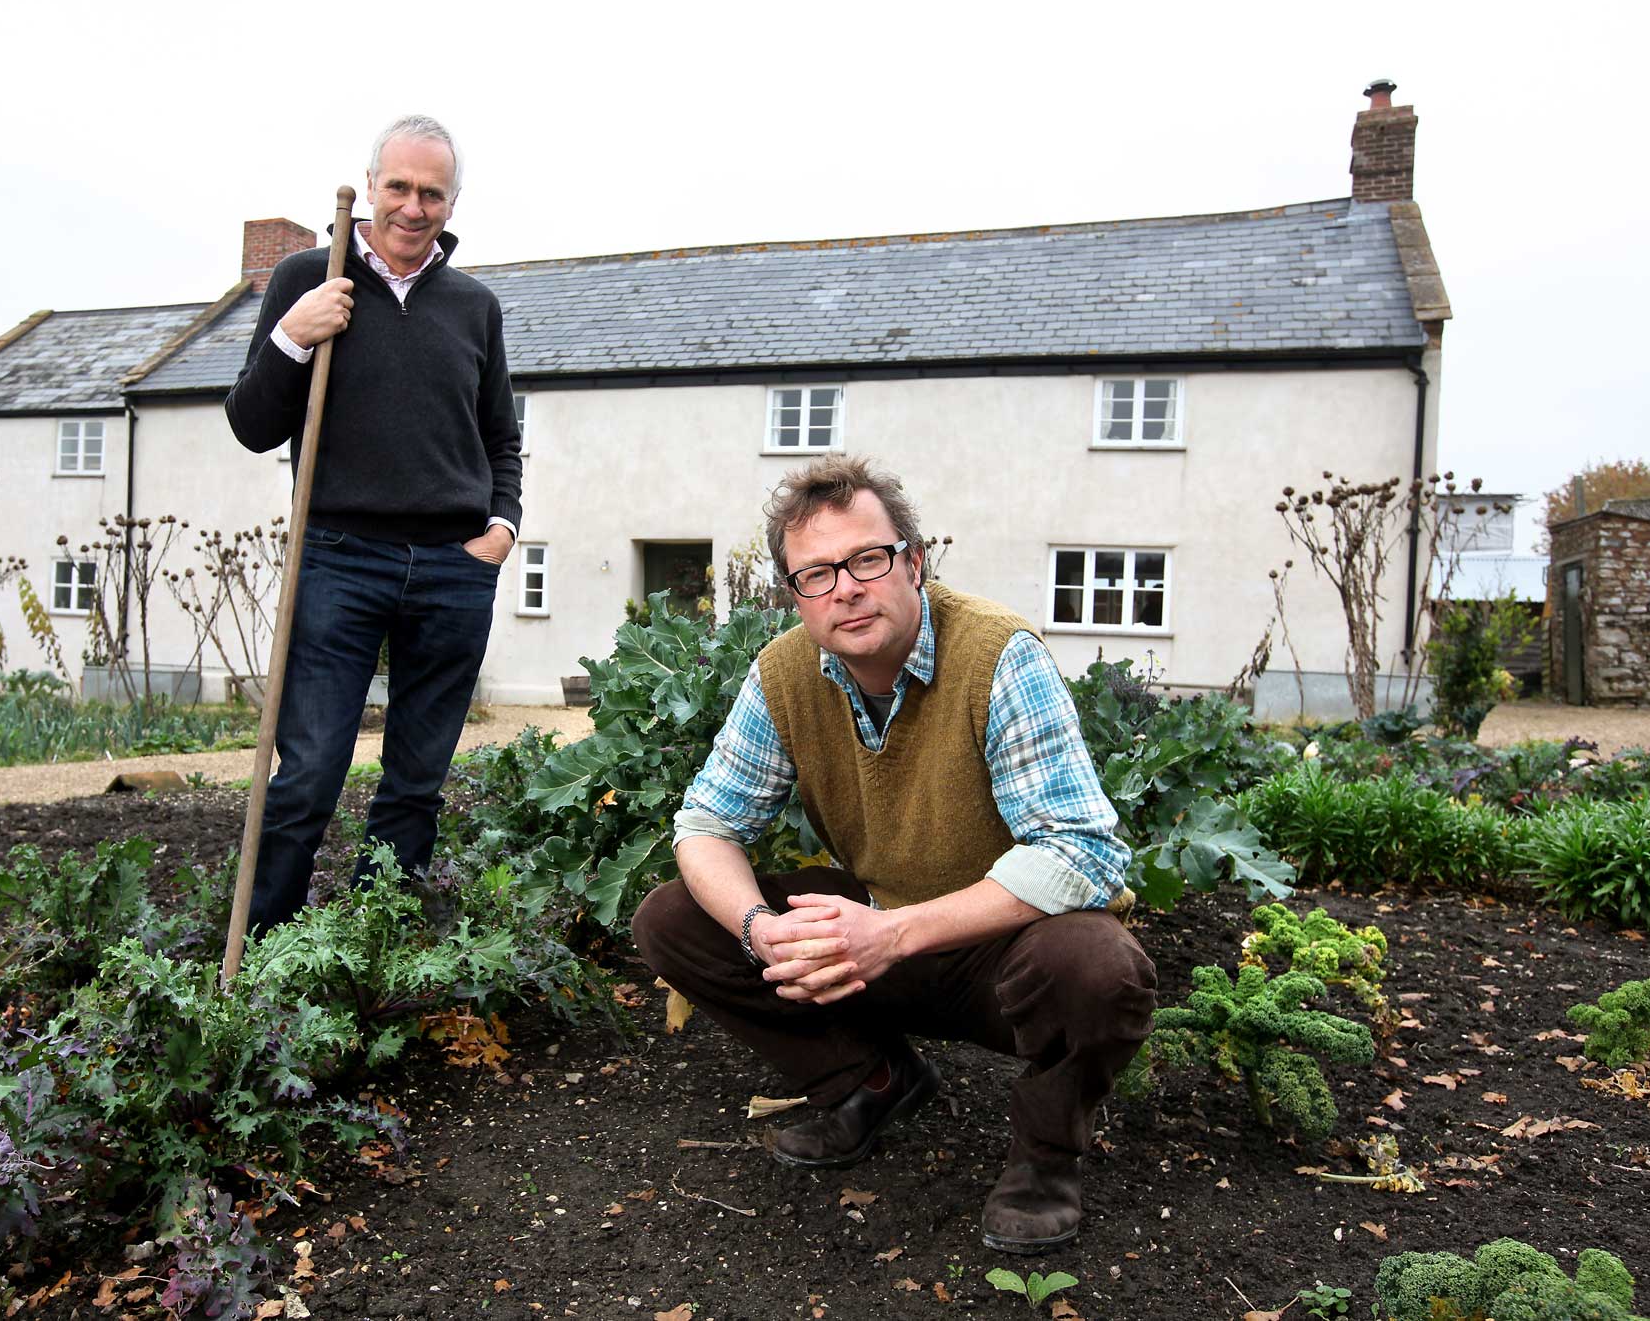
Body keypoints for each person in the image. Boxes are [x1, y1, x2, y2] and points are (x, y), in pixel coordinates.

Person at [633, 454, 1155, 1254]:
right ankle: (869, 1081)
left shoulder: (998, 654)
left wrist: (896, 933)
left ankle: (1046, 1159)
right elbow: (706, 822)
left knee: (1099, 965)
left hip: (1007, 952)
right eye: (815, 574)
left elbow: (1083, 851)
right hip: (876, 936)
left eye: (866, 560)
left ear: (913, 561)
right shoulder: (784, 674)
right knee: (675, 916)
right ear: (794, 594)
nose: (845, 587)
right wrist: (757, 928)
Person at [224, 114, 521, 928]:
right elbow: (251, 425)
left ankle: (369, 943)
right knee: (310, 770)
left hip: (454, 568)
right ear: (370, 186)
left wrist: (501, 529)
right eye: (398, 186)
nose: (413, 207)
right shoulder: (304, 279)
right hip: (338, 556)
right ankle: (266, 952)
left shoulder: (474, 307)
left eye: (432, 192)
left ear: (452, 203)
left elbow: (500, 436)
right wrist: (293, 336)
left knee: (416, 781)